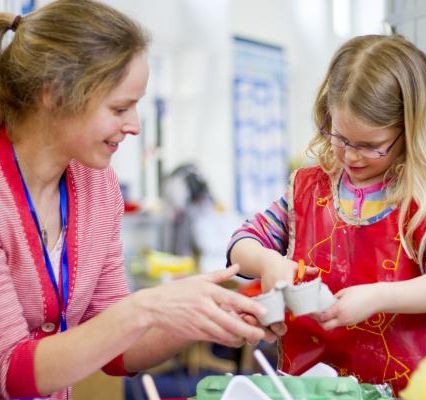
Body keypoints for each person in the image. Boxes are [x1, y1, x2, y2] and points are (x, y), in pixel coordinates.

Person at [0, 2, 271, 399]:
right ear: (54, 94)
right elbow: (12, 373)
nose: (135, 126)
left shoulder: (97, 188)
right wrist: (147, 307)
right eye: (120, 108)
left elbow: (117, 351)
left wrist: (206, 315)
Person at [228, 34, 426, 394]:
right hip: (316, 387)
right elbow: (243, 241)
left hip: (414, 389)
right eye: (340, 137)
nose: (351, 156)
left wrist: (379, 297)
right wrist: (268, 263)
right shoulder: (309, 188)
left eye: (370, 146)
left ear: (411, 130)